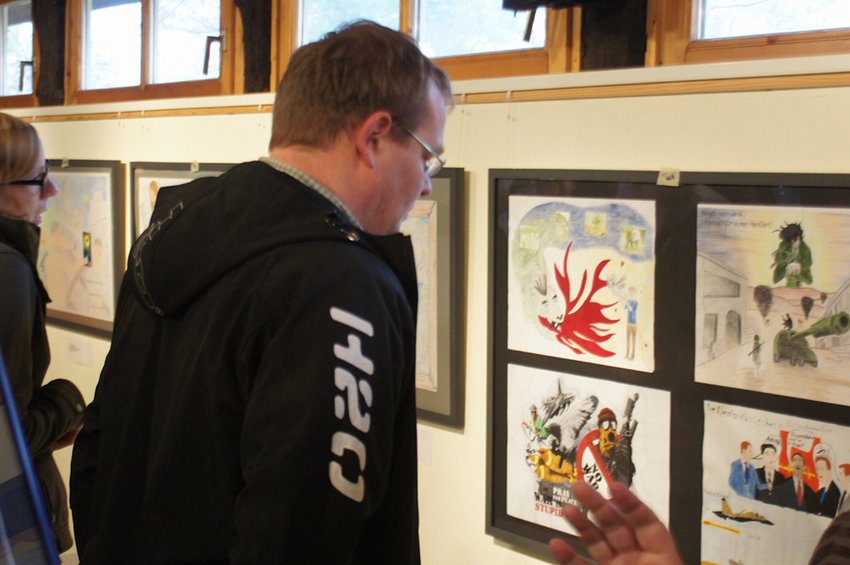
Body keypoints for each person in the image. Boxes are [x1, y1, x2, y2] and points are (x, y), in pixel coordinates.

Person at [69, 21, 451, 564]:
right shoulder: (341, 283)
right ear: (374, 137)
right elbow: (303, 532)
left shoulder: (174, 227)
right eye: (426, 156)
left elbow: (98, 445)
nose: (426, 182)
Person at [0, 112, 85, 554]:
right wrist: (66, 405)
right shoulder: (7, 270)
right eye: (36, 180)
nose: (51, 190)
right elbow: (5, 437)